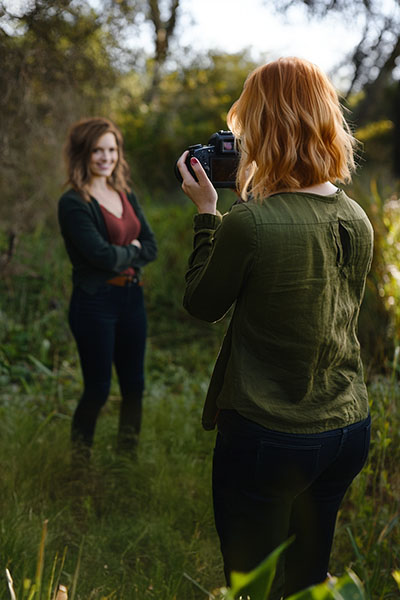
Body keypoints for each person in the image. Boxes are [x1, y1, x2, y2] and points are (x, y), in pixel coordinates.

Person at [177, 57, 373, 599]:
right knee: (308, 581)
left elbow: (202, 304)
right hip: (346, 426)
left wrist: (206, 215)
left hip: (269, 434)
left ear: (263, 125)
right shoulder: (356, 216)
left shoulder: (248, 221)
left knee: (251, 587)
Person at [58, 117, 157, 462]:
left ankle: (125, 462)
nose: (106, 157)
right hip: (95, 302)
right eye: (98, 150)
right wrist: (132, 250)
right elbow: (100, 256)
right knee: (98, 390)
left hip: (132, 298)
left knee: (135, 388)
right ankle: (79, 462)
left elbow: (152, 245)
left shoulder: (125, 193)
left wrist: (126, 252)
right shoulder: (73, 202)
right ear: (83, 153)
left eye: (112, 149)